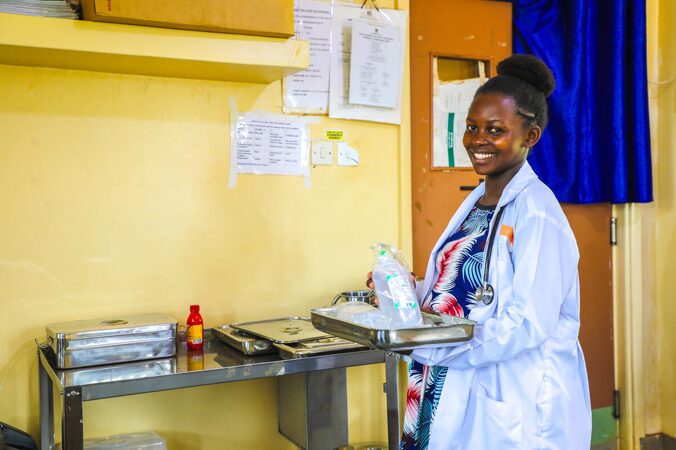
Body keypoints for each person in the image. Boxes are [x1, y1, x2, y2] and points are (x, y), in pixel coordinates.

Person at [370, 54, 591, 449]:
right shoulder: (477, 201)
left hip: (510, 397)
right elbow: (459, 290)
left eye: (495, 129)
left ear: (531, 136)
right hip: (448, 382)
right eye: (472, 127)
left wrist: (436, 344)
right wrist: (407, 291)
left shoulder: (538, 214)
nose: (477, 140)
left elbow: (526, 323)